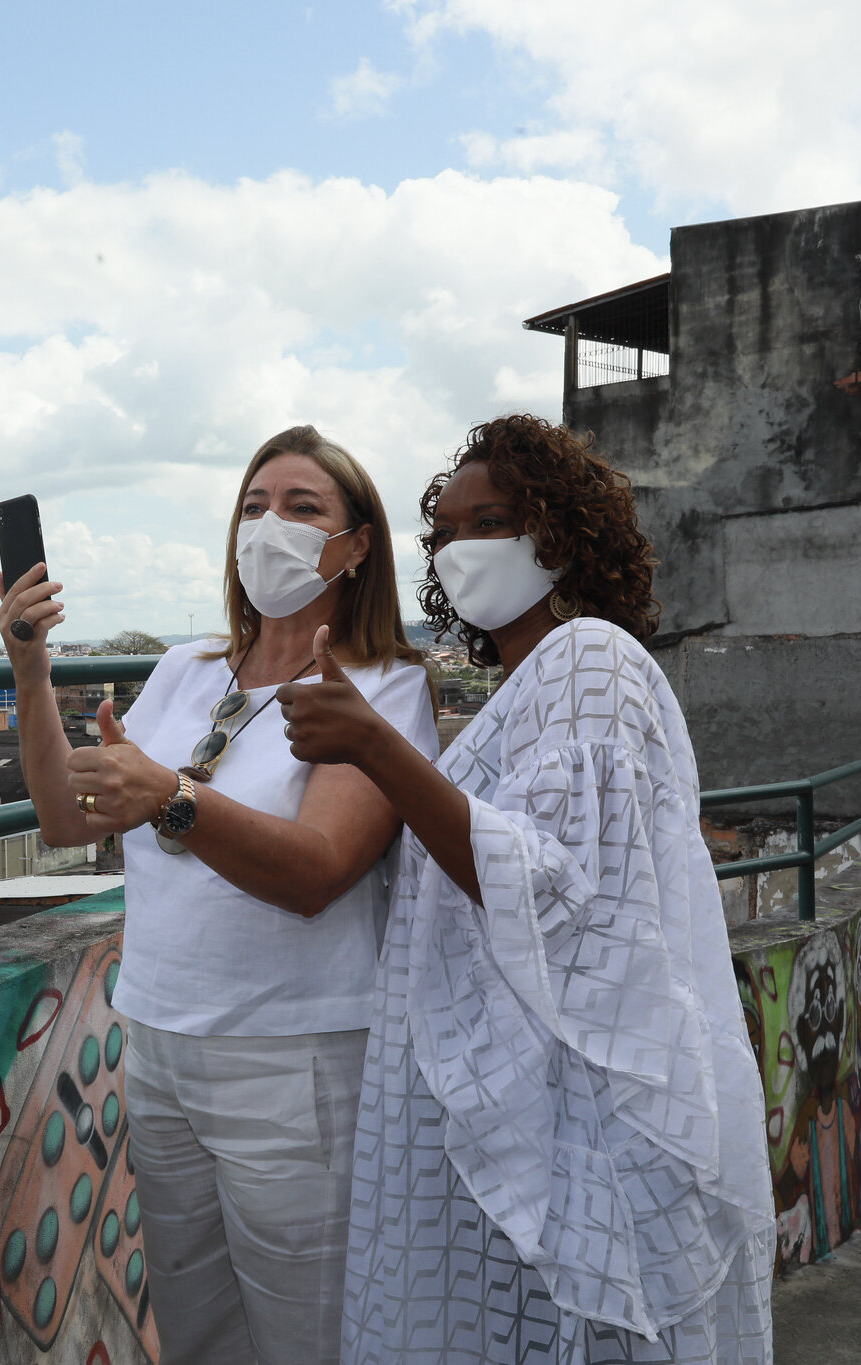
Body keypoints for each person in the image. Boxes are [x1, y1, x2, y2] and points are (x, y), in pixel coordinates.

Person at [275, 414, 774, 1364]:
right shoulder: (523, 688)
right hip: (536, 1104)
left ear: (560, 531)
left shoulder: (591, 657)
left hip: (583, 1116)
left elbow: (544, 884)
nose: (466, 548)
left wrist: (372, 744)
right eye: (449, 532)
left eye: (492, 519)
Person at [0, 426, 439, 1364]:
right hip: (157, 1044)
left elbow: (319, 869)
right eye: (253, 505)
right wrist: (31, 669)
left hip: (294, 1061)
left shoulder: (383, 686)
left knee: (310, 1335)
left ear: (358, 546)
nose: (267, 525)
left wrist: (170, 795)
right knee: (198, 1334)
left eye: (302, 507)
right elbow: (66, 818)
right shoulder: (185, 670)